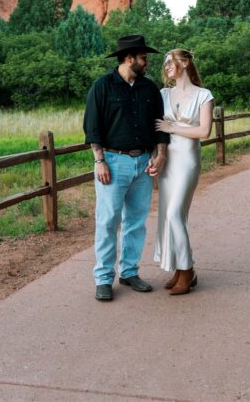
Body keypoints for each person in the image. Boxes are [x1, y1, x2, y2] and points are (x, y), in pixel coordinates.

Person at [83, 34, 169, 302]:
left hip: (143, 162)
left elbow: (159, 124)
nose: (147, 62)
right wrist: (99, 160)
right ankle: (103, 278)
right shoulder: (103, 87)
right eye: (144, 57)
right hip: (113, 162)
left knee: (136, 222)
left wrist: (160, 155)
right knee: (108, 221)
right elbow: (92, 126)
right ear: (130, 58)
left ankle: (129, 272)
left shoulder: (149, 89)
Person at [153, 48, 213, 296]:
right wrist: (155, 157)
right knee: (167, 214)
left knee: (176, 213)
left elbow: (204, 132)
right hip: (167, 161)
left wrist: (172, 127)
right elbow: (157, 130)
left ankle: (187, 270)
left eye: (171, 60)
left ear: (186, 62)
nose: (167, 65)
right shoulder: (163, 94)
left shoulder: (204, 95)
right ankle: (178, 268)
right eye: (165, 62)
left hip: (188, 159)